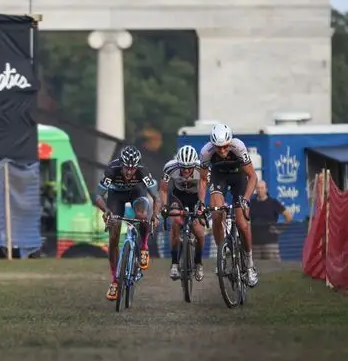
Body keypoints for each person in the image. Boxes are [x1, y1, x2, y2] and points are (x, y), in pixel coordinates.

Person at [93, 145, 163, 301]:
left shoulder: (142, 172)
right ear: (121, 164)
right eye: (126, 168)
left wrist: (156, 216)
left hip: (136, 193)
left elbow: (157, 197)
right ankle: (115, 281)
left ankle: (144, 247)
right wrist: (106, 210)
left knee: (142, 215)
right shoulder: (112, 169)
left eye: (133, 168)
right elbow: (97, 195)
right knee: (113, 235)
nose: (129, 172)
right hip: (116, 196)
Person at [198, 123, 259, 287]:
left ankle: (250, 265)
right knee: (217, 215)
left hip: (239, 178)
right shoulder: (206, 152)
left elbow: (252, 177)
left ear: (229, 142)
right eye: (219, 148)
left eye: (225, 147)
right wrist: (201, 203)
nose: (223, 151)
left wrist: (245, 199)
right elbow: (203, 179)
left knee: (242, 224)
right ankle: (223, 254)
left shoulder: (238, 147)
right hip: (219, 178)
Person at [159, 144, 206, 282]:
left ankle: (198, 263)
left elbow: (203, 187)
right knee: (175, 222)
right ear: (178, 164)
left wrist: (202, 205)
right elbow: (163, 189)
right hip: (178, 196)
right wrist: (164, 206)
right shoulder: (170, 167)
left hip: (195, 197)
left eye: (189, 168)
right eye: (183, 168)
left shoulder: (201, 168)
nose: (186, 171)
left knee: (199, 232)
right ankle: (174, 264)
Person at [249, 180, 292, 261]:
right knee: (256, 270)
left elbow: (288, 216)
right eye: (258, 188)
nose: (260, 190)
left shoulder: (273, 203)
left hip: (270, 244)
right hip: (254, 244)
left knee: (273, 269)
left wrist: (280, 229)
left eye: (262, 188)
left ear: (266, 189)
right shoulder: (252, 203)